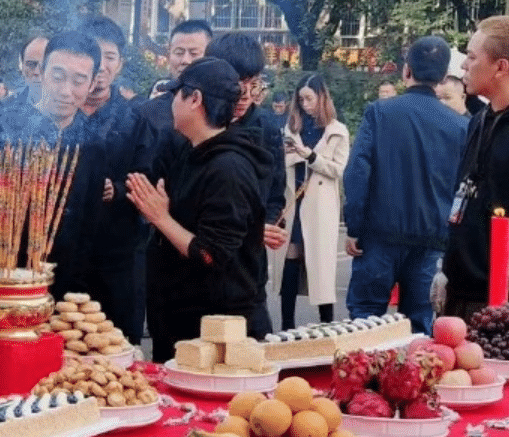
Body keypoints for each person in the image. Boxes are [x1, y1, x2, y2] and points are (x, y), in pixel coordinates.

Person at [126, 58, 271, 362]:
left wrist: (161, 218)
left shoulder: (228, 168)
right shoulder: (191, 151)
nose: (171, 104)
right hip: (178, 317)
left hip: (215, 333)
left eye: (176, 95)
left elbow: (211, 254)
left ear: (195, 99)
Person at [343, 37, 469, 334]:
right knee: (420, 328)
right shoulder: (461, 127)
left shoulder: (379, 113)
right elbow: (463, 189)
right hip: (431, 241)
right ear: (443, 77)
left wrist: (354, 227)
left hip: (379, 235)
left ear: (406, 70)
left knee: (364, 324)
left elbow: (357, 173)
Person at [443, 16, 509, 323]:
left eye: (471, 57)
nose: (463, 66)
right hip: (460, 290)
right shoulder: (479, 120)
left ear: (500, 67)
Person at [2, 30, 107, 299]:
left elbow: (89, 226)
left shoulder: (93, 144)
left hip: (66, 281)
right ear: (41, 72)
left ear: (93, 83)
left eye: (78, 81)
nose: (65, 91)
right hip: (5, 275)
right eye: (58, 77)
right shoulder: (7, 128)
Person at [79, 16, 155, 342]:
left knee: (120, 346)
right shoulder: (62, 114)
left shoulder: (135, 119)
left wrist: (120, 190)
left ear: (120, 63)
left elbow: (149, 177)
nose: (101, 66)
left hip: (118, 256)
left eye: (109, 57)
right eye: (94, 55)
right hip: (67, 256)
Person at [206, 33, 287, 335]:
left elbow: (276, 194)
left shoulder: (267, 128)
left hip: (248, 274)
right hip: (196, 275)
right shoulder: (195, 123)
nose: (244, 95)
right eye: (236, 85)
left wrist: (269, 224)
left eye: (253, 84)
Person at [275, 73, 350, 328]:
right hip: (294, 200)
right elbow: (281, 164)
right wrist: (289, 154)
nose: (305, 104)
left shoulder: (337, 131)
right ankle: (286, 325)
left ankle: (326, 324)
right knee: (289, 259)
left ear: (321, 97)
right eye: (301, 99)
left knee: (321, 267)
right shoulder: (292, 128)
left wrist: (310, 156)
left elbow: (338, 169)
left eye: (309, 98)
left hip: (320, 205)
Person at [139, 20, 213, 134]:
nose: (185, 61)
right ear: (169, 54)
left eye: (194, 54)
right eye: (179, 53)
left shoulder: (221, 100)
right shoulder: (158, 95)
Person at [11, 29, 50, 108]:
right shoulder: (8, 108)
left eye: (45, 64)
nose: (37, 72)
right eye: (31, 64)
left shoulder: (73, 105)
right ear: (21, 67)